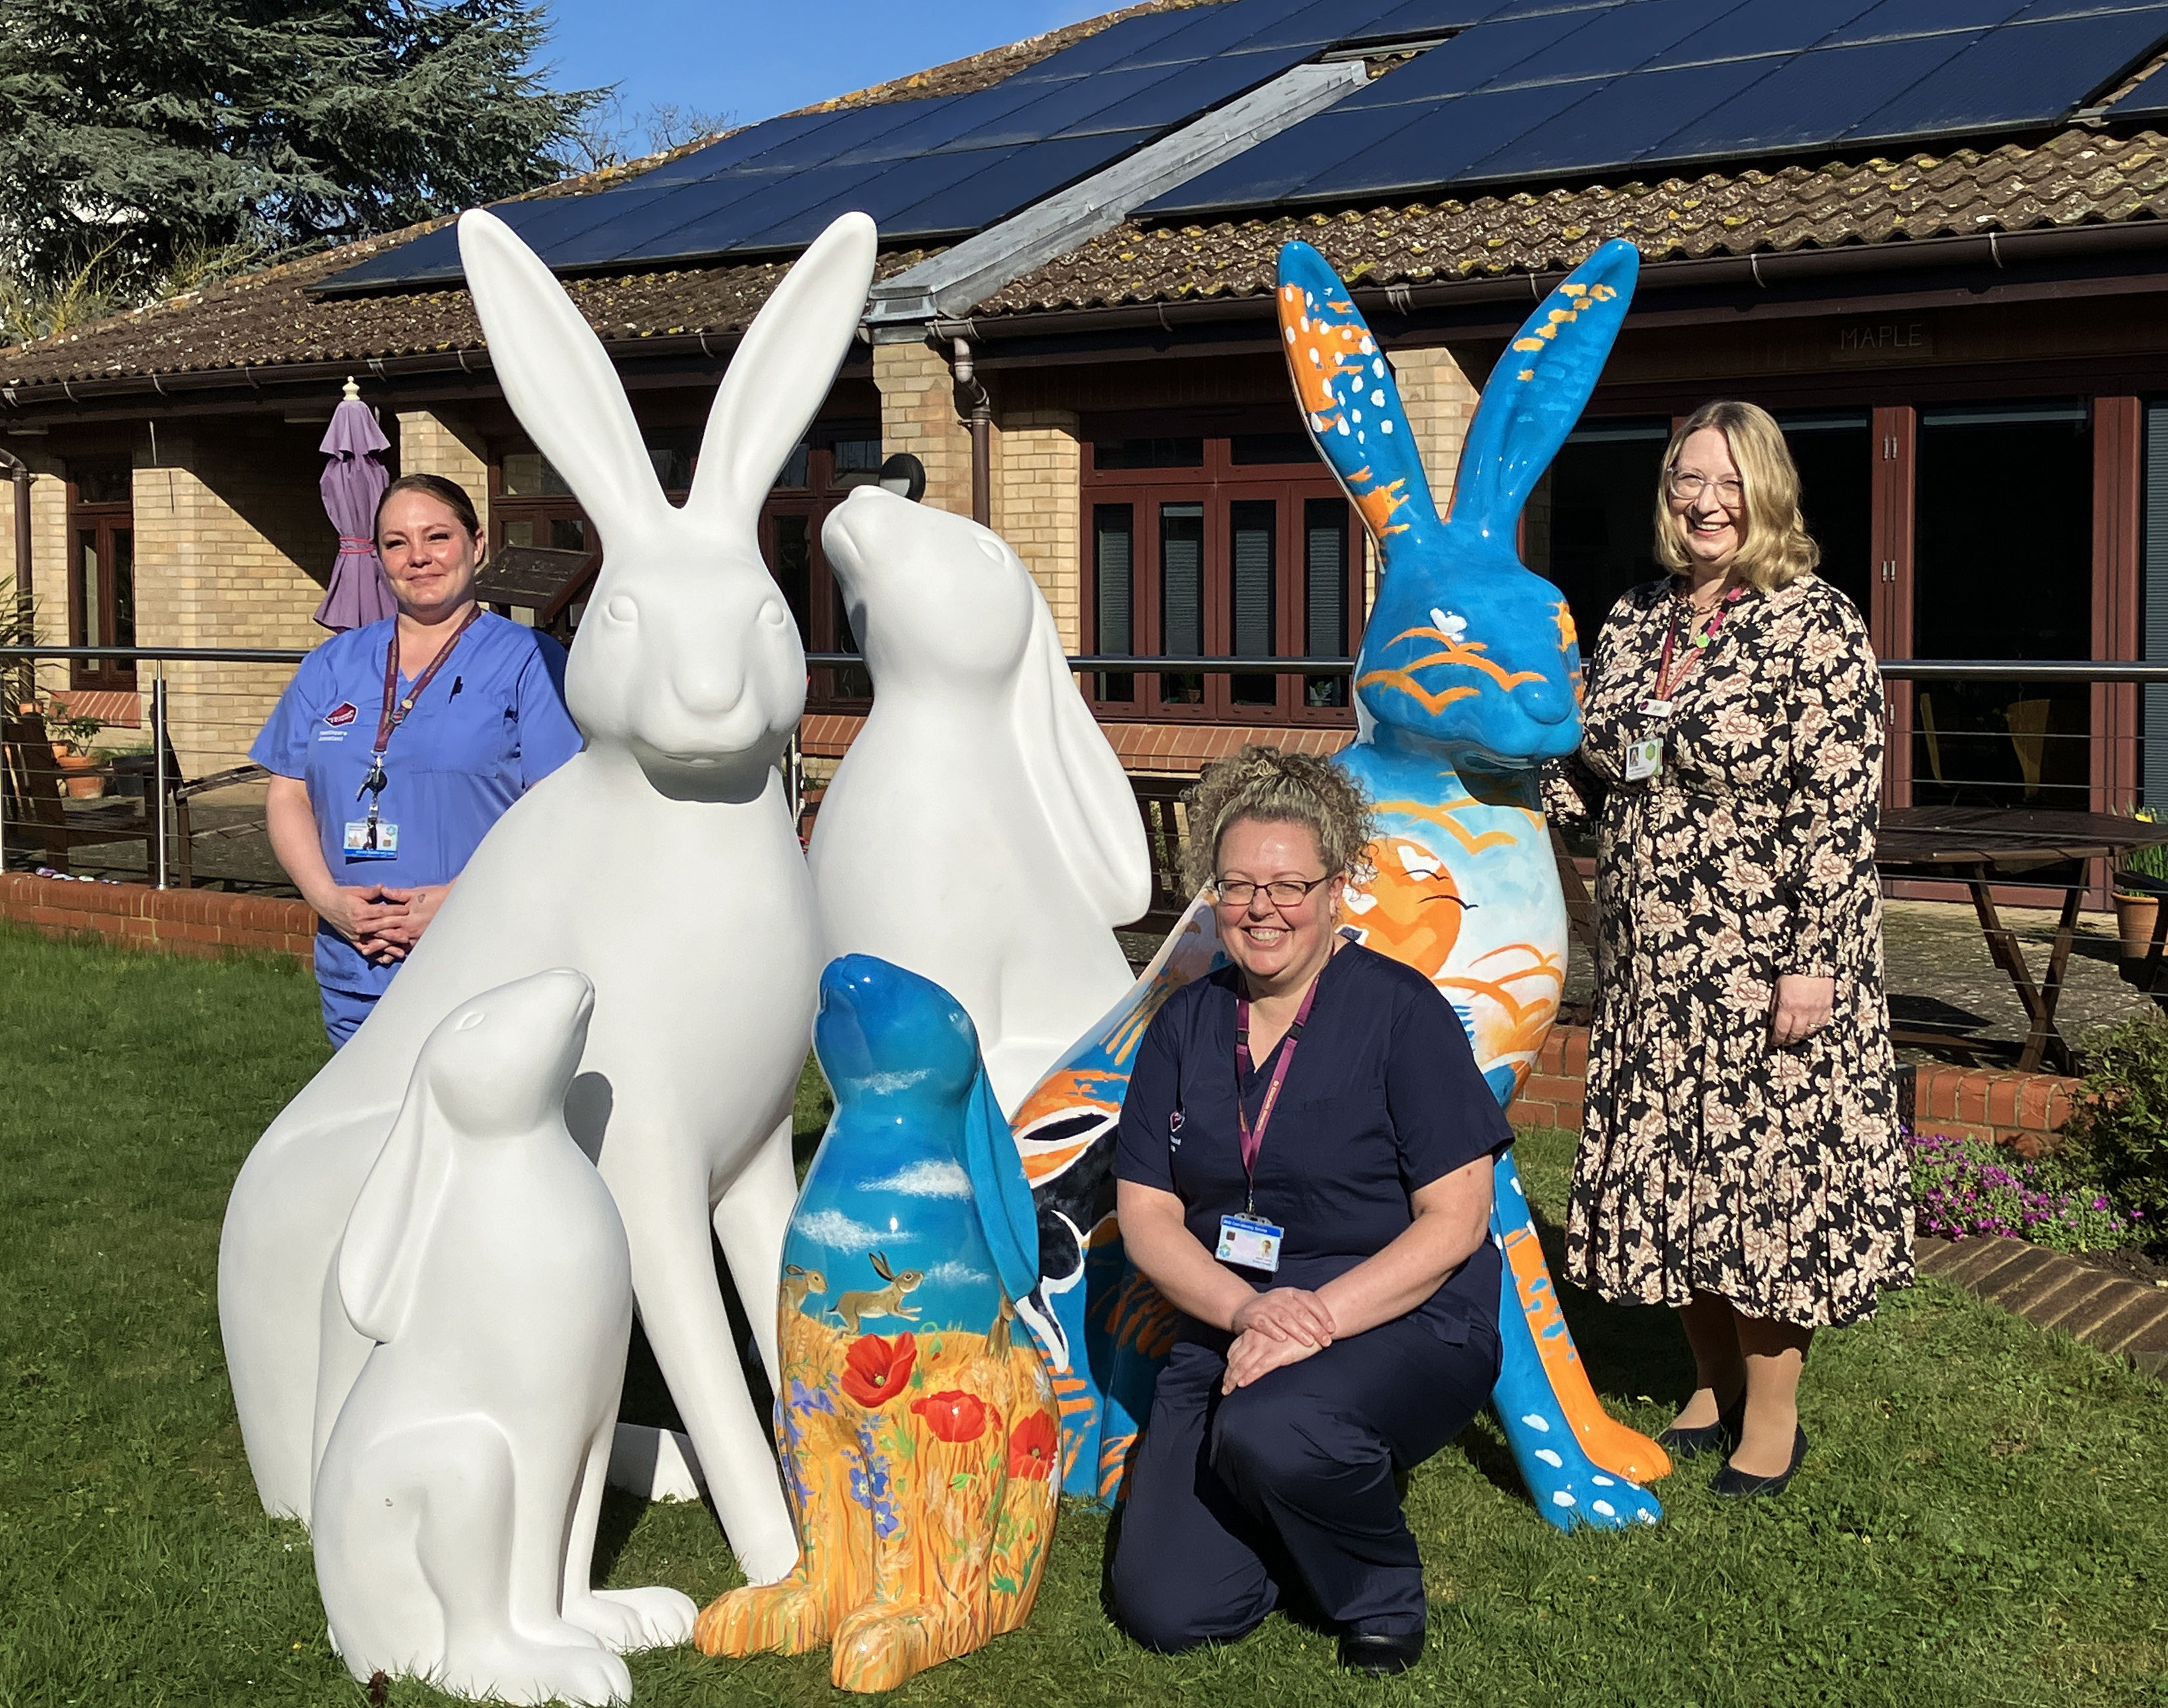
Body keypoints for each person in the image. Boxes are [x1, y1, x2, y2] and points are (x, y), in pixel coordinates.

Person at [1545, 399, 1910, 1501]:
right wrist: (1520, 773)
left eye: (1726, 481)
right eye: (1683, 481)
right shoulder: (1639, 614)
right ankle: (1709, 1381)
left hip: (1764, 959)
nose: (1703, 501)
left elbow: (1839, 806)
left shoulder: (1814, 621)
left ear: (1768, 490)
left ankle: (1775, 1415)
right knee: (1679, 1179)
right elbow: (1597, 771)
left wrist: (1815, 956)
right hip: (1655, 958)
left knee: (1765, 1190)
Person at [1109, 747, 1509, 1677]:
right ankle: (1298, 1496)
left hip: (1398, 1308)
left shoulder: (1402, 1013)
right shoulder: (1183, 1023)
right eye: (1238, 884)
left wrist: (1316, 1318)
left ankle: (1377, 1592)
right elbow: (1147, 1216)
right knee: (1169, 1608)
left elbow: (1455, 1219)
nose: (1262, 908)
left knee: (1273, 1427)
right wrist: (1250, 1311)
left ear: (1336, 890)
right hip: (1233, 1310)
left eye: (1289, 884)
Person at [255, 473, 583, 1046]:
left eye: (437, 537)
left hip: (480, 961)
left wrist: (460, 901)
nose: (418, 558)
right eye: (396, 543)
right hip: (356, 965)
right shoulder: (334, 663)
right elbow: (288, 793)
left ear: (476, 544)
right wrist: (329, 901)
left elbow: (561, 810)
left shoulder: (529, 659)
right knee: (365, 1131)